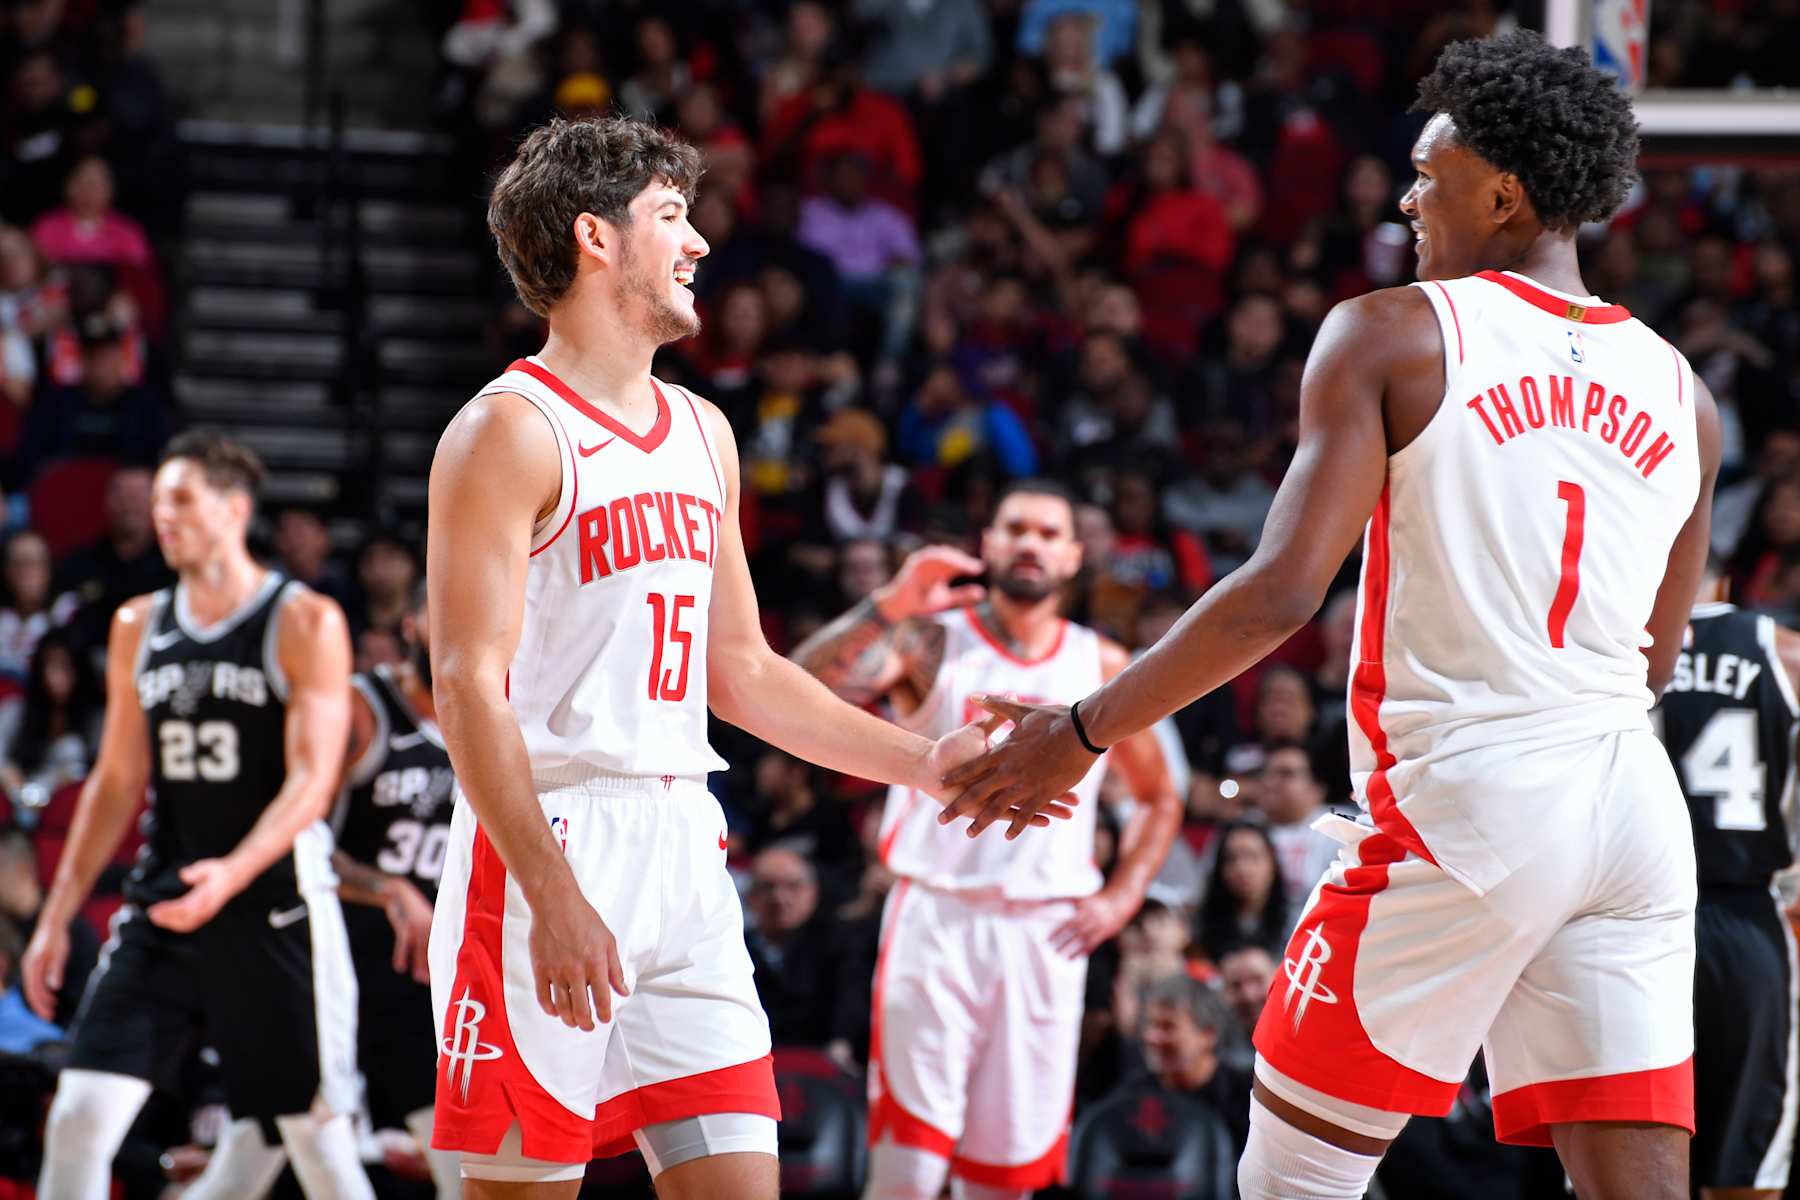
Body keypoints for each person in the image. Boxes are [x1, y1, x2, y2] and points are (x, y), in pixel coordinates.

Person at [939, 31, 1719, 1199]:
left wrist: (1084, 726)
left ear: (1504, 193)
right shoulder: (1683, 390)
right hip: (1634, 811)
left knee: (1293, 1179)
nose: (1406, 197)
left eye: (1428, 174)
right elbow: (1658, 652)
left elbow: (1281, 594)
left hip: (1473, 803)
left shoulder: (1395, 330)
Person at [424, 115, 1009, 1197]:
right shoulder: (506, 430)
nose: (698, 244)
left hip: (685, 844)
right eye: (672, 217)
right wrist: (552, 893)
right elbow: (464, 687)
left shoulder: (703, 430)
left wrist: (929, 764)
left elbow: (741, 672)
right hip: (547, 835)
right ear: (595, 239)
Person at [791, 480, 1183, 1200]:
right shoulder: (933, 639)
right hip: (937, 914)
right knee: (907, 1164)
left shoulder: (1102, 665)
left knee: (1007, 1171)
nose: (1030, 542)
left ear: (1074, 555)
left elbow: (1161, 796)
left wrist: (1124, 897)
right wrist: (892, 601)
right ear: (988, 544)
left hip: (1046, 930)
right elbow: (800, 690)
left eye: (1047, 532)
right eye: (1015, 528)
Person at [19, 432, 374, 1198]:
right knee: (78, 1116)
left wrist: (235, 873)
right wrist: (56, 916)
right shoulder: (136, 625)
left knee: (315, 1144)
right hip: (169, 902)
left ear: (235, 508)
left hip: (276, 907)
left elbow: (313, 783)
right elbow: (116, 780)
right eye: (156, 503)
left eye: (180, 498)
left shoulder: (305, 620)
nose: (162, 515)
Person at [182, 581, 462, 1198]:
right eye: (440, 615)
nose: (454, 630)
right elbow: (296, 829)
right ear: (410, 625)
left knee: (460, 1167)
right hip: (328, 950)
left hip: (418, 975)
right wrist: (387, 888)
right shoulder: (364, 709)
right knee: (266, 1148)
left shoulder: (488, 714)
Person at [1657, 568, 1800, 1200]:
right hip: (1745, 920)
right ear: (1715, 578)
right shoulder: (1782, 648)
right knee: (1747, 1169)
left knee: (1619, 1163)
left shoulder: (1602, 643)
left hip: (1628, 916)